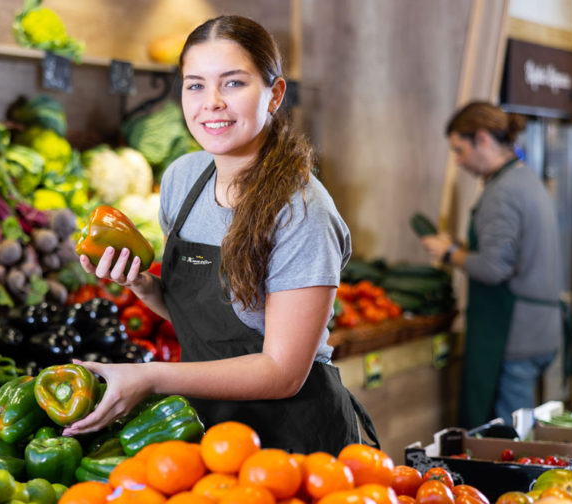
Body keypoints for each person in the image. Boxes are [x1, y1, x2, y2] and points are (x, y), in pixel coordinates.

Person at [61, 15, 377, 454]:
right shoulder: (182, 180)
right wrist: (140, 284)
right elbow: (201, 324)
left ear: (274, 94)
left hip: (295, 442)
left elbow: (283, 371)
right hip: (210, 431)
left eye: (233, 84)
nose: (211, 102)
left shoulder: (302, 211)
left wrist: (152, 376)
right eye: (195, 85)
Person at [420, 102, 561, 428]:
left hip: (512, 337)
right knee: (521, 431)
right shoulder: (526, 178)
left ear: (482, 139)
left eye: (459, 150)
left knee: (505, 443)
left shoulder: (502, 192)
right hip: (541, 330)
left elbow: (495, 268)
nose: (458, 160)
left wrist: (448, 253)